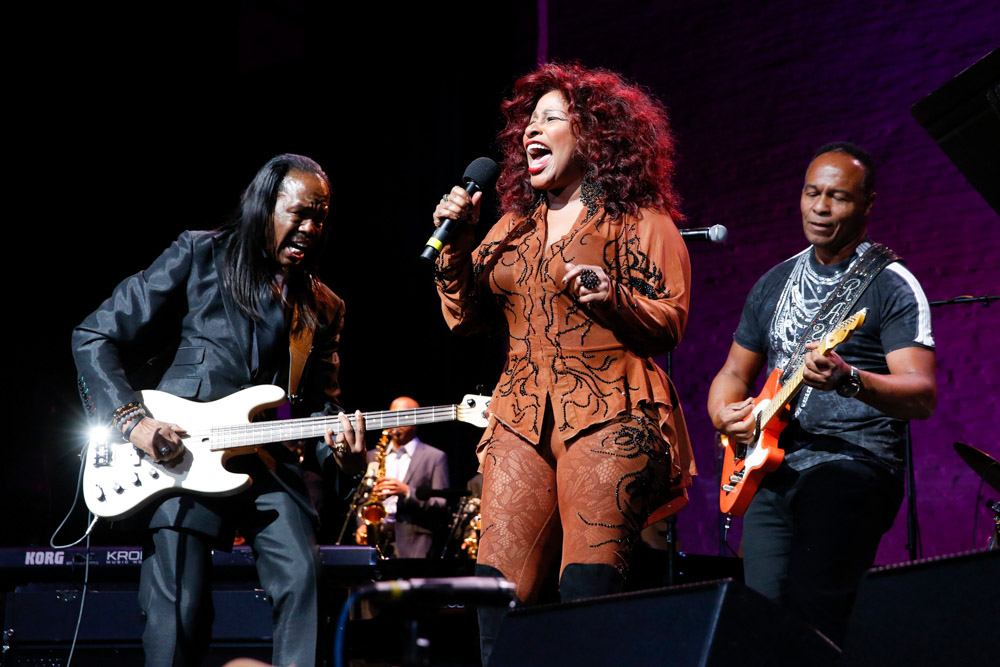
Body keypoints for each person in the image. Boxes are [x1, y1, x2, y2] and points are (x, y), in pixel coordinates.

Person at [430, 63, 696, 662]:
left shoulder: (639, 221)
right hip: (521, 415)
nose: (531, 130)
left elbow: (670, 322)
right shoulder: (511, 228)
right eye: (528, 121)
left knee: (586, 589)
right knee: (497, 592)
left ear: (595, 136)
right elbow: (465, 317)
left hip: (610, 411)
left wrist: (613, 298)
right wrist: (459, 240)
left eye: (551, 118)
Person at [72, 154, 367, 667]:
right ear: (263, 206)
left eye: (320, 216)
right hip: (180, 458)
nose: (311, 227)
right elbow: (93, 335)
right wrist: (132, 421)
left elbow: (322, 410)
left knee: (306, 581)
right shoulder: (200, 253)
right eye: (299, 213)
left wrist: (343, 455)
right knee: (179, 612)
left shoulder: (323, 306)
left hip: (269, 463)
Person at [706, 142, 936, 646]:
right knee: (762, 623)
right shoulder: (774, 281)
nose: (820, 207)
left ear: (868, 204)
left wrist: (849, 379)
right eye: (812, 193)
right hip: (772, 468)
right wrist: (726, 416)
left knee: (815, 621)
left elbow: (922, 394)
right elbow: (730, 373)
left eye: (838, 197)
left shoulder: (891, 285)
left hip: (853, 466)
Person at [357, 396, 450, 558]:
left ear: (417, 420)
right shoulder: (372, 456)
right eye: (392, 416)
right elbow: (360, 498)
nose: (395, 422)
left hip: (415, 545)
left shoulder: (435, 457)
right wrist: (362, 525)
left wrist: (407, 492)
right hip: (375, 540)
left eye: (402, 416)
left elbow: (442, 505)